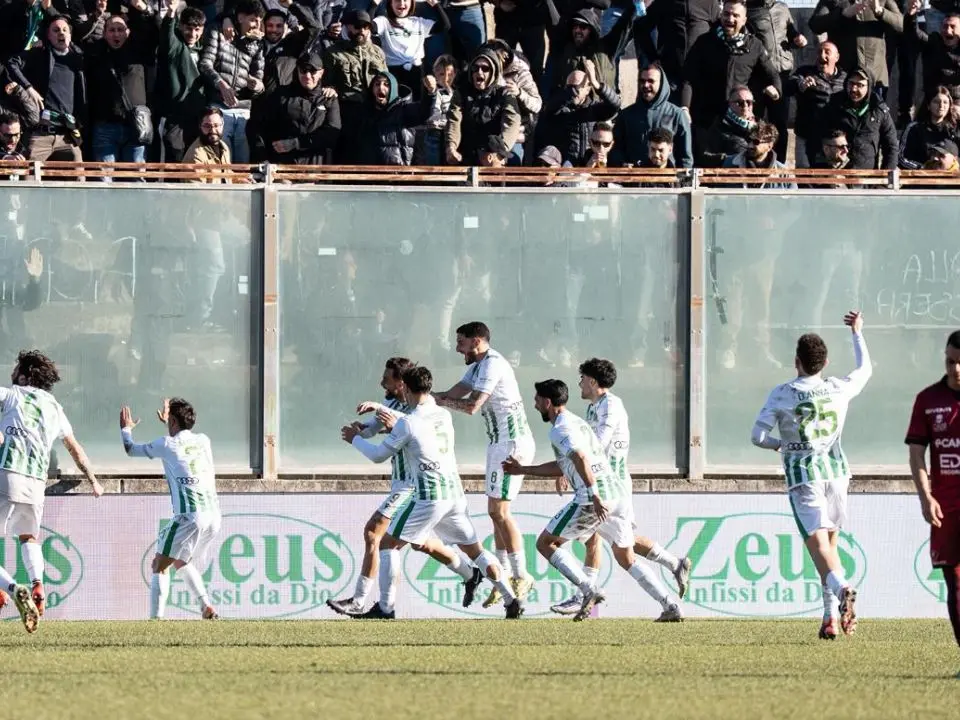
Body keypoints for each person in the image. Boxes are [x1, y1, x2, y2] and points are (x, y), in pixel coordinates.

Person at [342, 365, 522, 619]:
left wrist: (355, 439)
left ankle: (385, 608)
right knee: (476, 551)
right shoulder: (442, 415)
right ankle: (511, 598)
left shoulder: (407, 423)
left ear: (405, 386)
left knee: (387, 545)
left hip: (429, 495)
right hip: (455, 495)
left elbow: (377, 455)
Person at [504, 379, 678, 622]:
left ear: (547, 402)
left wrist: (594, 495)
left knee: (545, 543)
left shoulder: (560, 428)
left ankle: (588, 590)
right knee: (626, 556)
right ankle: (670, 606)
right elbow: (565, 464)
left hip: (594, 499)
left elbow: (581, 458)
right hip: (617, 496)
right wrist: (523, 469)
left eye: (536, 400)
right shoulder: (578, 422)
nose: (534, 405)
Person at [750, 311, 872, 640]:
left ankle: (843, 588)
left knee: (817, 544)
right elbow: (865, 370)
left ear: (796, 362)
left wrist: (782, 445)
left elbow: (757, 437)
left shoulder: (783, 393)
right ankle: (829, 617)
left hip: (804, 474)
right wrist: (857, 333)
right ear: (825, 362)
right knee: (830, 545)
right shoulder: (837, 387)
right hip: (837, 472)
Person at [549, 359, 690, 619]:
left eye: (582, 378)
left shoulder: (611, 405)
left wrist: (571, 470)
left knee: (612, 547)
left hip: (610, 484)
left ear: (592, 381)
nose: (579, 383)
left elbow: (597, 444)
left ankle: (584, 595)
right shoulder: (594, 408)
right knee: (617, 546)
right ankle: (673, 572)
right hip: (600, 480)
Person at [434, 321, 536, 608]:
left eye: (461, 342)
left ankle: (521, 574)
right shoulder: (477, 366)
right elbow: (455, 391)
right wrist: (424, 398)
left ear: (477, 340)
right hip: (498, 443)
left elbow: (471, 405)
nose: (457, 348)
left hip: (511, 444)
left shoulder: (493, 364)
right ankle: (499, 576)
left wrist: (438, 402)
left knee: (499, 511)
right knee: (494, 513)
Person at [0, 350, 102, 633]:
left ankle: (11, 586)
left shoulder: (11, 395)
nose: (13, 373)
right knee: (29, 538)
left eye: (16, 368)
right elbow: (74, 448)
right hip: (36, 483)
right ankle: (37, 585)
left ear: (25, 374)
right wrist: (93, 480)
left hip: (6, 475)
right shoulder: (55, 408)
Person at [120, 398, 221, 621]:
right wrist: (172, 422)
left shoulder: (166, 444)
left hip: (189, 515)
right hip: (214, 516)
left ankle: (155, 621)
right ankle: (206, 607)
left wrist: (126, 429)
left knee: (159, 564)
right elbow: (183, 445)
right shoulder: (204, 441)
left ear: (173, 420)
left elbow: (130, 450)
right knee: (181, 561)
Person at [905, 330, 960, 669]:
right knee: (954, 582)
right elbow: (916, 455)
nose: (955, 369)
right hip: (946, 510)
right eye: (950, 361)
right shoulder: (928, 400)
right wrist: (925, 497)